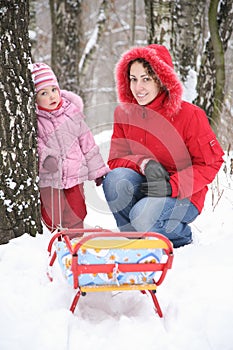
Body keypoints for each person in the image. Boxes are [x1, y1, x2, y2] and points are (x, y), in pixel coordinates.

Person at [103, 44, 224, 248]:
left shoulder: (189, 115)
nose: (138, 88)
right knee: (115, 180)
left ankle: (180, 235)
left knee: (142, 214)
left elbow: (210, 163)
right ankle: (134, 240)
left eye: (146, 79)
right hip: (145, 185)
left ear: (162, 79)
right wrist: (144, 164)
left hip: (183, 196)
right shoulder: (124, 113)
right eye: (133, 79)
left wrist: (172, 185)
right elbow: (116, 159)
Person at [31, 62, 109, 232]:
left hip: (75, 176)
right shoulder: (36, 121)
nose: (52, 96)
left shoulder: (71, 114)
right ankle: (53, 239)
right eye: (44, 93)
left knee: (77, 210)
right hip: (50, 178)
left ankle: (75, 238)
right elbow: (36, 144)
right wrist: (46, 158)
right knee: (52, 213)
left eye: (54, 90)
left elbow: (88, 144)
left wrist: (98, 170)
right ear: (35, 98)